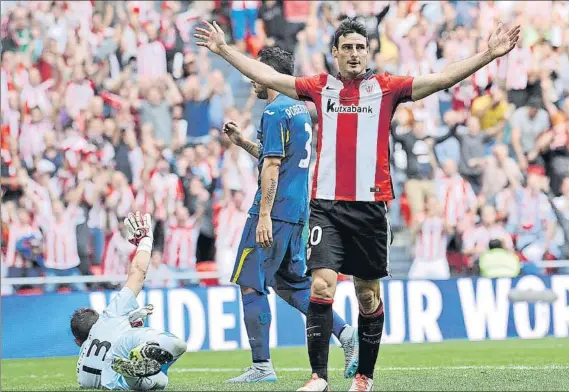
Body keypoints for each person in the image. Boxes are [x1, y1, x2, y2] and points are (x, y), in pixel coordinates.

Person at [195, 17, 520, 391]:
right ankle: (319, 377)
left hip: (369, 207)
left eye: (360, 48)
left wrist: (488, 54)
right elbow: (270, 78)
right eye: (346, 47)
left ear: (369, 53)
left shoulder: (387, 88)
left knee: (367, 295)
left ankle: (364, 376)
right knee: (320, 286)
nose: (354, 54)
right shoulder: (320, 88)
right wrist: (223, 50)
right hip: (326, 207)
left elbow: (442, 78)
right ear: (334, 53)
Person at [220, 46, 358, 383]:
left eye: (256, 70)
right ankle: (344, 333)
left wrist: (264, 215)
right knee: (290, 284)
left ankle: (262, 366)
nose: (252, 78)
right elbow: (278, 156)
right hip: (297, 211)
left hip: (275, 210)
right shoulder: (298, 110)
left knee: (251, 283)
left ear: (268, 72)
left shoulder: (273, 112)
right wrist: (242, 143)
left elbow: (272, 166)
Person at [71, 211, 187, 390]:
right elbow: (138, 272)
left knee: (160, 382)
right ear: (98, 318)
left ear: (78, 342)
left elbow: (105, 339)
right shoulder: (109, 315)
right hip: (121, 351)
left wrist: (130, 321)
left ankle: (136, 366)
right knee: (178, 345)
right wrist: (146, 241)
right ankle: (140, 353)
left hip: (108, 380)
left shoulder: (81, 374)